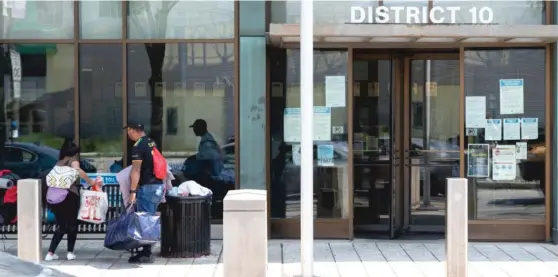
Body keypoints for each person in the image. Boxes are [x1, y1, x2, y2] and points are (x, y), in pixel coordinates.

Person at [45, 139, 97, 261]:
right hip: (69, 197)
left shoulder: (59, 163)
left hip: (54, 198)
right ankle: (70, 252)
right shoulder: (73, 161)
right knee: (72, 225)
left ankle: (50, 253)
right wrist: (90, 182)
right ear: (75, 153)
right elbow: (78, 170)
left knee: (61, 226)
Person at [124, 122, 164, 263]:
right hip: (157, 186)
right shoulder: (151, 142)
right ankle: (147, 249)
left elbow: (136, 170)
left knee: (145, 220)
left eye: (129, 130)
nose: (128, 133)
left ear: (134, 130)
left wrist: (132, 191)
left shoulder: (138, 146)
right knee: (149, 218)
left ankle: (146, 253)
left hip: (147, 187)